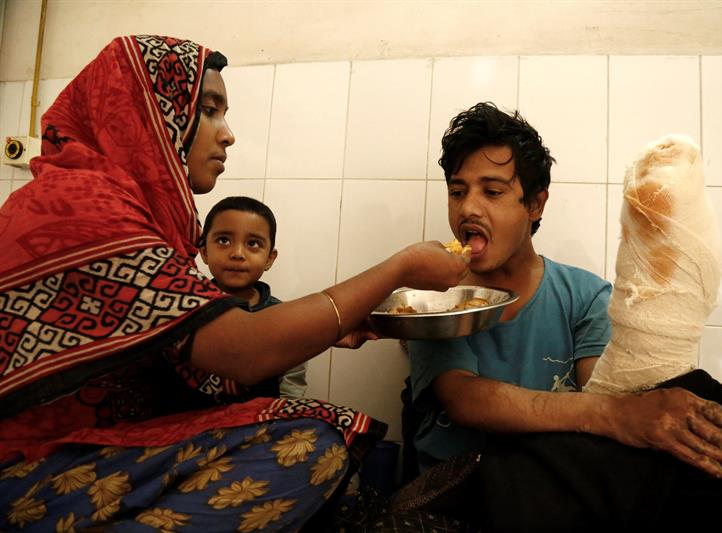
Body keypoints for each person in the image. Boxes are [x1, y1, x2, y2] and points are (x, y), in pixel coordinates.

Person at [0, 35, 468, 532]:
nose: (228, 135)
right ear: (146, 115)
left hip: (88, 450)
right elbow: (241, 352)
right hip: (25, 470)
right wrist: (396, 269)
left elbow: (188, 356)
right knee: (309, 443)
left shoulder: (120, 207)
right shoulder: (80, 206)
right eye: (208, 110)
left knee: (302, 427)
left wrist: (334, 326)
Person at [404, 102, 722, 530]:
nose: (467, 210)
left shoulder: (585, 296)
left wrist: (652, 415)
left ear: (535, 204)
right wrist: (615, 414)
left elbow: (612, 395)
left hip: (557, 481)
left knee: (687, 409)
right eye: (458, 191)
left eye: (492, 192)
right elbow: (466, 399)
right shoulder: (433, 299)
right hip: (467, 485)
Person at [199, 196, 307, 398]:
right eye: (224, 240)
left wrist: (281, 423)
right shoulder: (189, 311)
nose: (238, 253)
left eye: (253, 243)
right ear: (204, 252)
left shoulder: (283, 317)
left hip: (263, 423)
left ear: (269, 258)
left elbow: (291, 385)